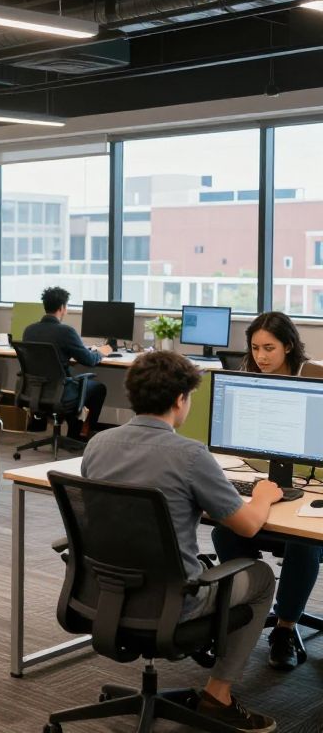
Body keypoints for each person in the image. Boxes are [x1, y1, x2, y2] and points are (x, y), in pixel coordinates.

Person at [82, 351, 281, 733]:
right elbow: (247, 527)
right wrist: (263, 496)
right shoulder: (190, 455)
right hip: (175, 602)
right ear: (179, 400)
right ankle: (218, 695)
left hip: (105, 593)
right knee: (261, 576)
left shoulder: (98, 444)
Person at [213, 310, 316, 671]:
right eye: (255, 348)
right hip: (263, 485)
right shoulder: (247, 382)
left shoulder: (314, 381)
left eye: (269, 348)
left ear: (288, 346)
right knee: (222, 529)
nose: (261, 356)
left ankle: (285, 628)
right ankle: (245, 608)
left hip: (310, 491)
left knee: (302, 544)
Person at [22, 287, 110, 439]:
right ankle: (80, 435)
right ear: (62, 307)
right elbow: (88, 360)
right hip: (60, 391)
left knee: (73, 385)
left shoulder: (29, 330)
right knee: (98, 388)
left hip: (36, 391)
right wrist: (101, 352)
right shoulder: (66, 331)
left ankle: (73, 432)